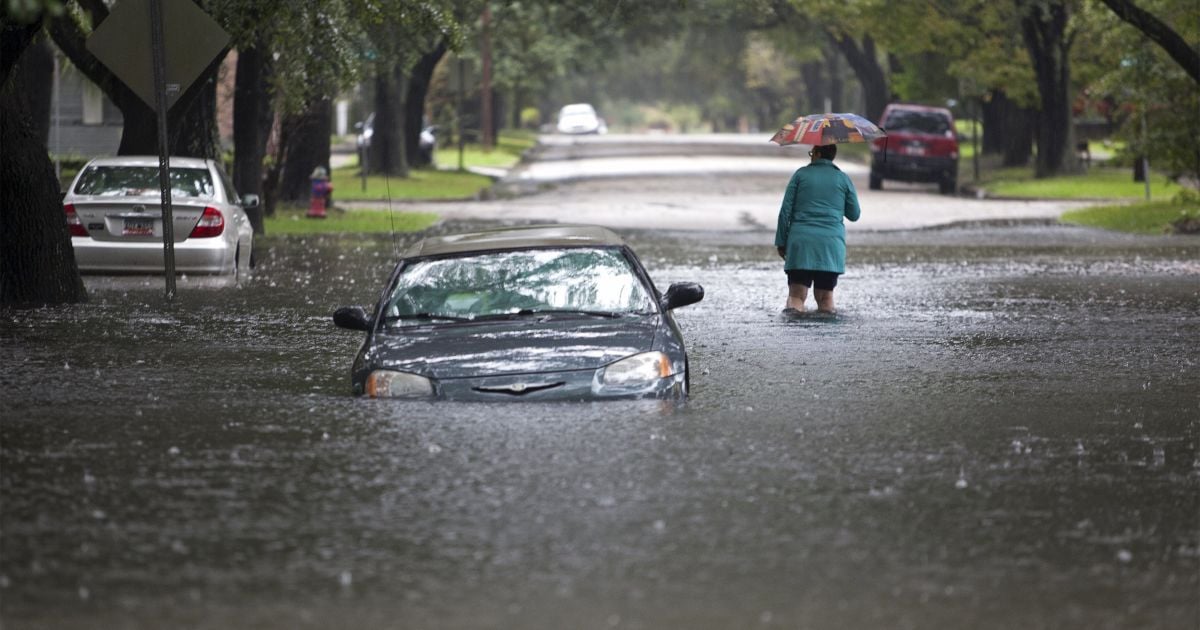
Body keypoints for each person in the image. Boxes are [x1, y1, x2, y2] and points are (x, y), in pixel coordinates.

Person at [774, 143, 861, 314]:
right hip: (830, 246)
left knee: (796, 296)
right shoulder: (843, 178)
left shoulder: (800, 175)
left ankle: (792, 337)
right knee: (825, 298)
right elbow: (854, 214)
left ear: (819, 153)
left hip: (801, 244)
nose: (811, 156)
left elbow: (785, 211)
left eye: (812, 152)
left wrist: (781, 242)